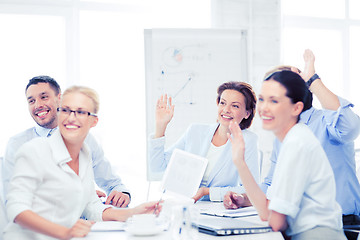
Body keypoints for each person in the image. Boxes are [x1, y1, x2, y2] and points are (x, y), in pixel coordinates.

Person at [3, 86, 160, 240]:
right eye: (65, 110)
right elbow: (16, 208)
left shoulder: (84, 154)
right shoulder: (33, 150)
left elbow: (92, 206)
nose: (71, 117)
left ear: (93, 121)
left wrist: (133, 213)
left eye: (80, 112)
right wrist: (64, 232)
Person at [224, 50, 360, 225]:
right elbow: (271, 184)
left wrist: (312, 80)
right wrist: (243, 198)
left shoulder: (326, 121)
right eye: (264, 98)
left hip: (341, 224)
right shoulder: (283, 135)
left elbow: (351, 127)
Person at [2, 76, 131, 208]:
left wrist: (122, 193)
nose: (38, 105)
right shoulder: (17, 144)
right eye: (31, 100)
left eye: (44, 97)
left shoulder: (85, 138)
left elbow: (111, 181)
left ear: (60, 99)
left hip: (86, 224)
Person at [149, 82, 259, 202]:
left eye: (235, 106)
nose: (226, 110)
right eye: (222, 103)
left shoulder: (248, 140)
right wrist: (160, 126)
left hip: (219, 209)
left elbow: (252, 190)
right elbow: (157, 167)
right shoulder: (195, 131)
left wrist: (207, 192)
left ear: (247, 113)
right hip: (185, 205)